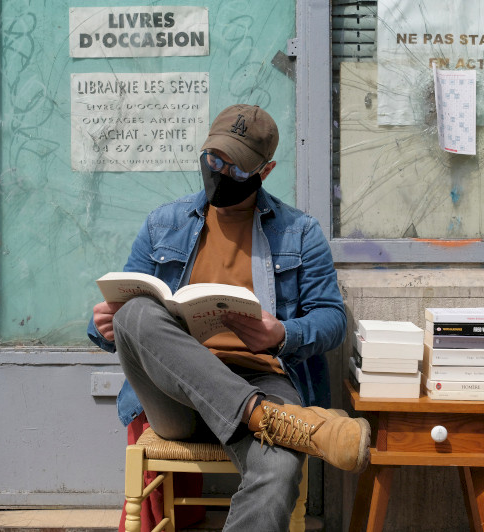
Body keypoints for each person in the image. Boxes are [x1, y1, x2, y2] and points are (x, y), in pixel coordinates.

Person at [88, 103, 370, 531]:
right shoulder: (163, 224)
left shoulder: (301, 232)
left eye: (236, 168)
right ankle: (268, 420)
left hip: (262, 378)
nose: (220, 173)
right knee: (136, 315)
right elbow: (121, 310)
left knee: (277, 471)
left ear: (266, 170)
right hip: (174, 395)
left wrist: (281, 335)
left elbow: (333, 319)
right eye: (213, 160)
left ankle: (261, 413)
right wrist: (104, 325)